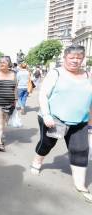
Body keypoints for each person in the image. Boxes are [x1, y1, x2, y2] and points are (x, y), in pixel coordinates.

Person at [30, 45, 92, 203]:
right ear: (65, 58)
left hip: (80, 121)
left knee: (81, 150)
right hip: (54, 119)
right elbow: (43, 94)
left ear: (83, 59)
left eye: (79, 58)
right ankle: (37, 161)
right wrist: (46, 115)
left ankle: (80, 185)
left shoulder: (88, 75)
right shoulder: (56, 73)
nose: (75, 61)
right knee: (47, 144)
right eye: (72, 58)